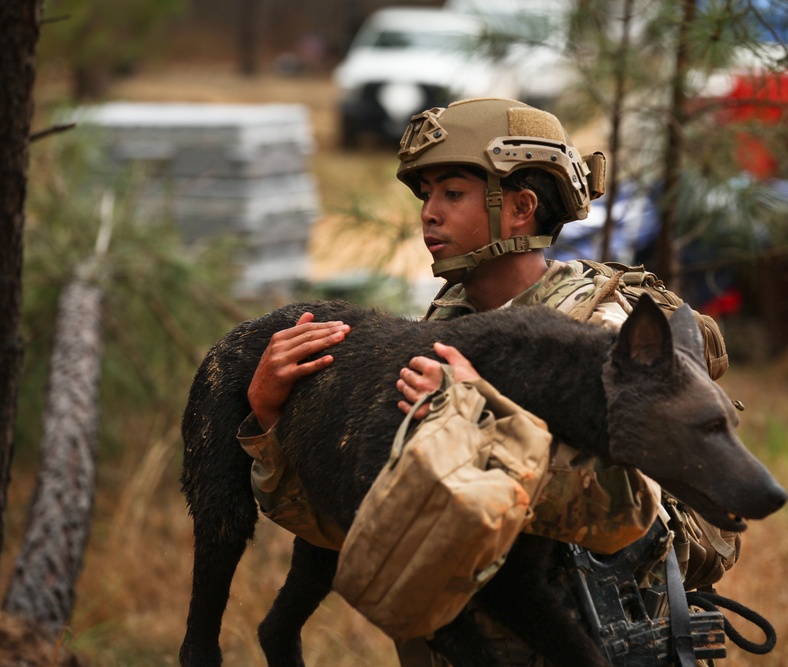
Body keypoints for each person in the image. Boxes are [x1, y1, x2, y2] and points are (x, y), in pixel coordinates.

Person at [241, 97, 731, 665]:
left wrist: (483, 425)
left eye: (452, 193)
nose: (428, 212)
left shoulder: (600, 333)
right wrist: (272, 423)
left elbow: (629, 520)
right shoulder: (444, 324)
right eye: (425, 194)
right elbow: (361, 525)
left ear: (521, 208)